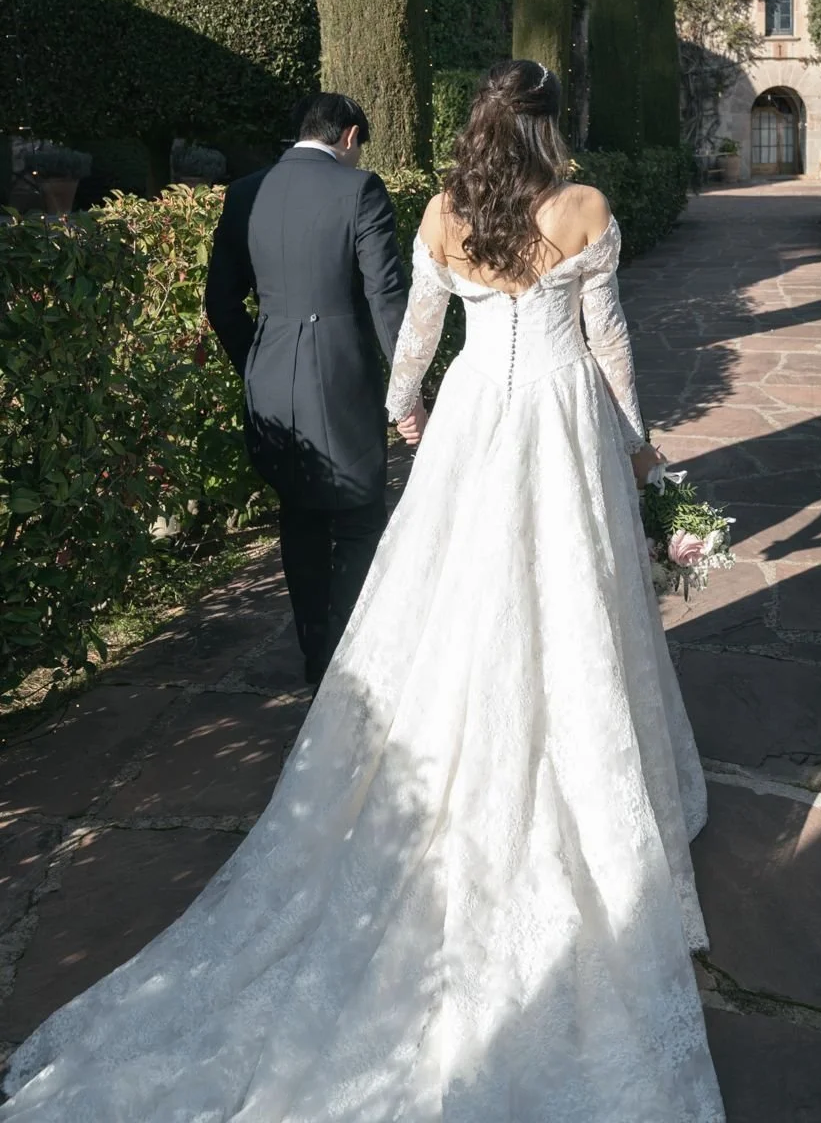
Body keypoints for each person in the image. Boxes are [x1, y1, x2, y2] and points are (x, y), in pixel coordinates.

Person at [1, 60, 725, 1121]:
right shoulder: (584, 207)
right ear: (546, 128)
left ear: (478, 128)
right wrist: (645, 458)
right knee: (575, 602)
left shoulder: (439, 210)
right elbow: (610, 347)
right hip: (560, 424)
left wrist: (406, 416)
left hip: (476, 417)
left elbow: (420, 341)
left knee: (453, 599)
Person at [204, 92, 414, 688]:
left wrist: (257, 359)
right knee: (357, 519)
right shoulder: (359, 190)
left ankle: (314, 654)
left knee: (298, 516)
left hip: (269, 377)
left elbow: (220, 301)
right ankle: (348, 664)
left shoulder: (245, 192)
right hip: (341, 379)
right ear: (349, 136)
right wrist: (408, 386)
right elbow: (386, 299)